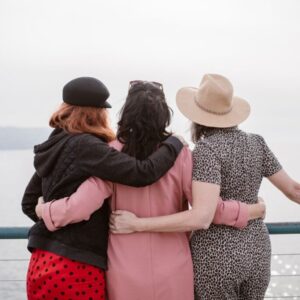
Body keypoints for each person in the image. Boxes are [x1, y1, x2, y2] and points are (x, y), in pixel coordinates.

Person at [35, 80, 266, 300]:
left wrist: (44, 209)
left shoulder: (111, 154)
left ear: (126, 112)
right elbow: (208, 211)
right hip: (174, 270)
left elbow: (78, 207)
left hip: (124, 272)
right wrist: (251, 210)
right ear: (164, 115)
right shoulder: (181, 154)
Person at [110, 74, 300, 299]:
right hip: (254, 252)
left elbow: (203, 213)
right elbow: (293, 190)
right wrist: (253, 210)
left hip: (209, 257)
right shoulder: (254, 143)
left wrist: (136, 224)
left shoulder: (204, 151)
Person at [21, 77, 185, 300]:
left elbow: (28, 203)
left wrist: (49, 218)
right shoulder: (89, 146)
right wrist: (174, 143)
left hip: (41, 261)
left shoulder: (55, 143)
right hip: (76, 267)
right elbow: (141, 173)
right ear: (98, 113)